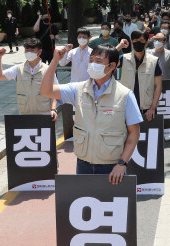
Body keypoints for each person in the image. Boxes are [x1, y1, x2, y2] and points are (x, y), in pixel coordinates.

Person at [39, 44, 142, 183]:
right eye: (91, 60)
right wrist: (54, 61)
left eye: (98, 61)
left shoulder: (125, 95)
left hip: (111, 167)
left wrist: (122, 163)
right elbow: (46, 91)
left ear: (112, 66)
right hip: (83, 164)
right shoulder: (78, 89)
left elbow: (134, 133)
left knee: (109, 204)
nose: (93, 64)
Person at [0, 37, 59, 120]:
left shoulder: (48, 70)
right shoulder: (18, 69)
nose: (29, 53)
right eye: (27, 50)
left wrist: (53, 109)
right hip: (24, 113)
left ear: (40, 52)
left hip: (44, 113)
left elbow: (55, 92)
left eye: (32, 50)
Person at [118, 30, 163, 120]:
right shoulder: (124, 59)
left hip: (146, 110)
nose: (138, 43)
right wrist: (119, 46)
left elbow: (158, 86)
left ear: (146, 43)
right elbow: (106, 60)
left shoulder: (154, 61)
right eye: (135, 40)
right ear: (131, 42)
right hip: (126, 108)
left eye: (141, 40)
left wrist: (152, 108)